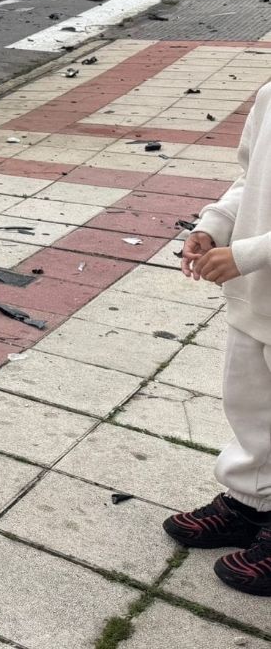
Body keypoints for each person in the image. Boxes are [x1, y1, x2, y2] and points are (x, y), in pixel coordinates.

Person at [169, 80, 271, 596]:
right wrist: (214, 226)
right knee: (250, 403)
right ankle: (251, 502)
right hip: (256, 295)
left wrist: (247, 254)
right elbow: (248, 178)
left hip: (254, 268)